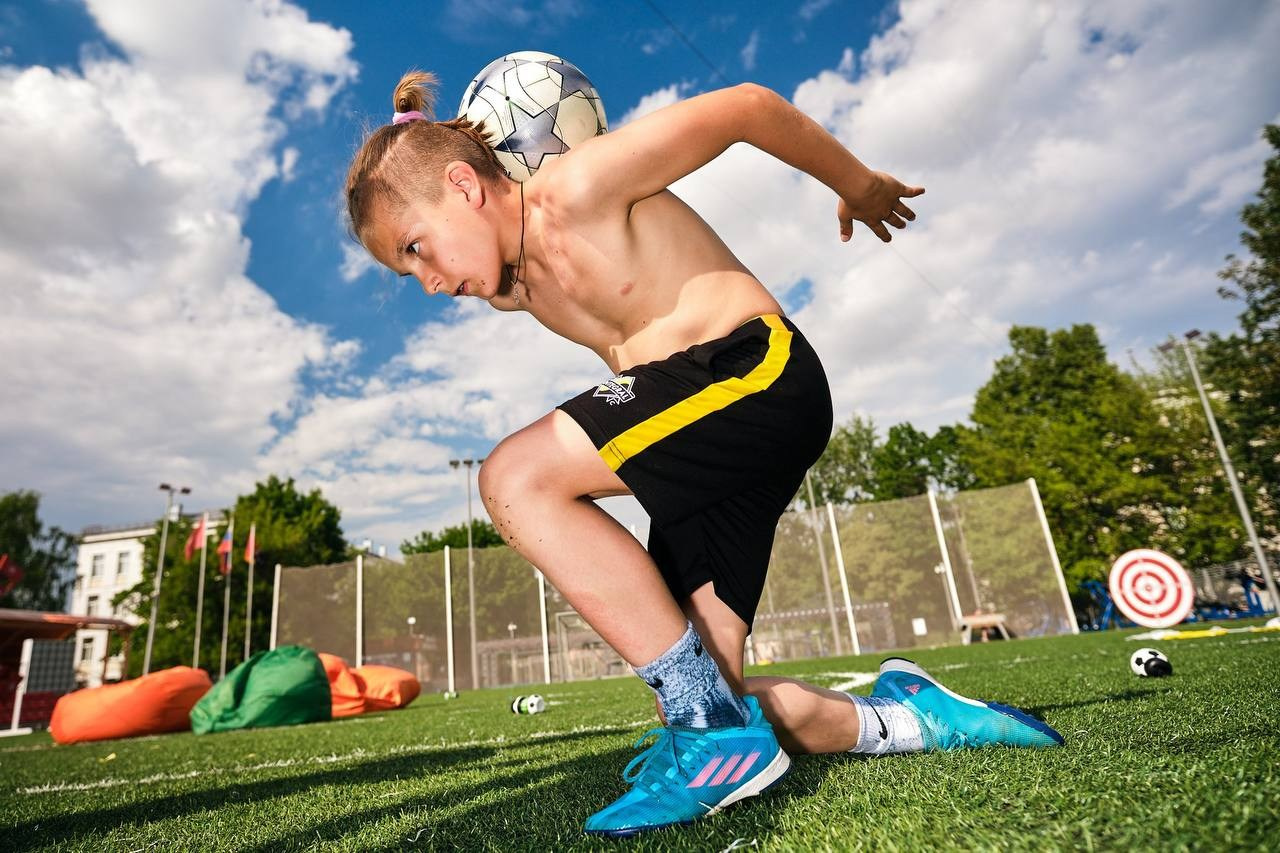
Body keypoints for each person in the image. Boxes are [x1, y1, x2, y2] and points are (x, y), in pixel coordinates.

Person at [345, 70, 1063, 837]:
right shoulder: (510, 287)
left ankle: (714, 734)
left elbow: (749, 108)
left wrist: (861, 187)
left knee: (515, 477)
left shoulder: (579, 187)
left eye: (416, 248)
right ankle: (910, 717)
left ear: (464, 185)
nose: (427, 282)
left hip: (756, 374)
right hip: (706, 447)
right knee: (713, 690)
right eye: (407, 271)